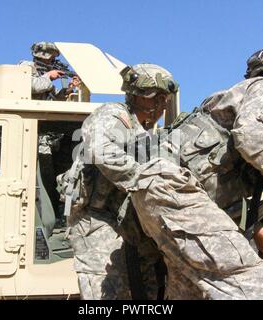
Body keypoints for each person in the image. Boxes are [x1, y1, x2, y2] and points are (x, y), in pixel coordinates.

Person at [162, 47, 263, 263]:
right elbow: (252, 135)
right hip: (175, 195)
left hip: (171, 196)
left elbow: (218, 189)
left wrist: (257, 230)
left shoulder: (235, 100)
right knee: (250, 281)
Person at [60, 63, 177, 299]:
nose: (162, 103)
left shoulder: (144, 131)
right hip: (97, 221)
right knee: (107, 292)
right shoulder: (114, 114)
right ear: (137, 96)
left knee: (144, 290)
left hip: (127, 225)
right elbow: (100, 149)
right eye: (157, 97)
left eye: (165, 98)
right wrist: (145, 179)